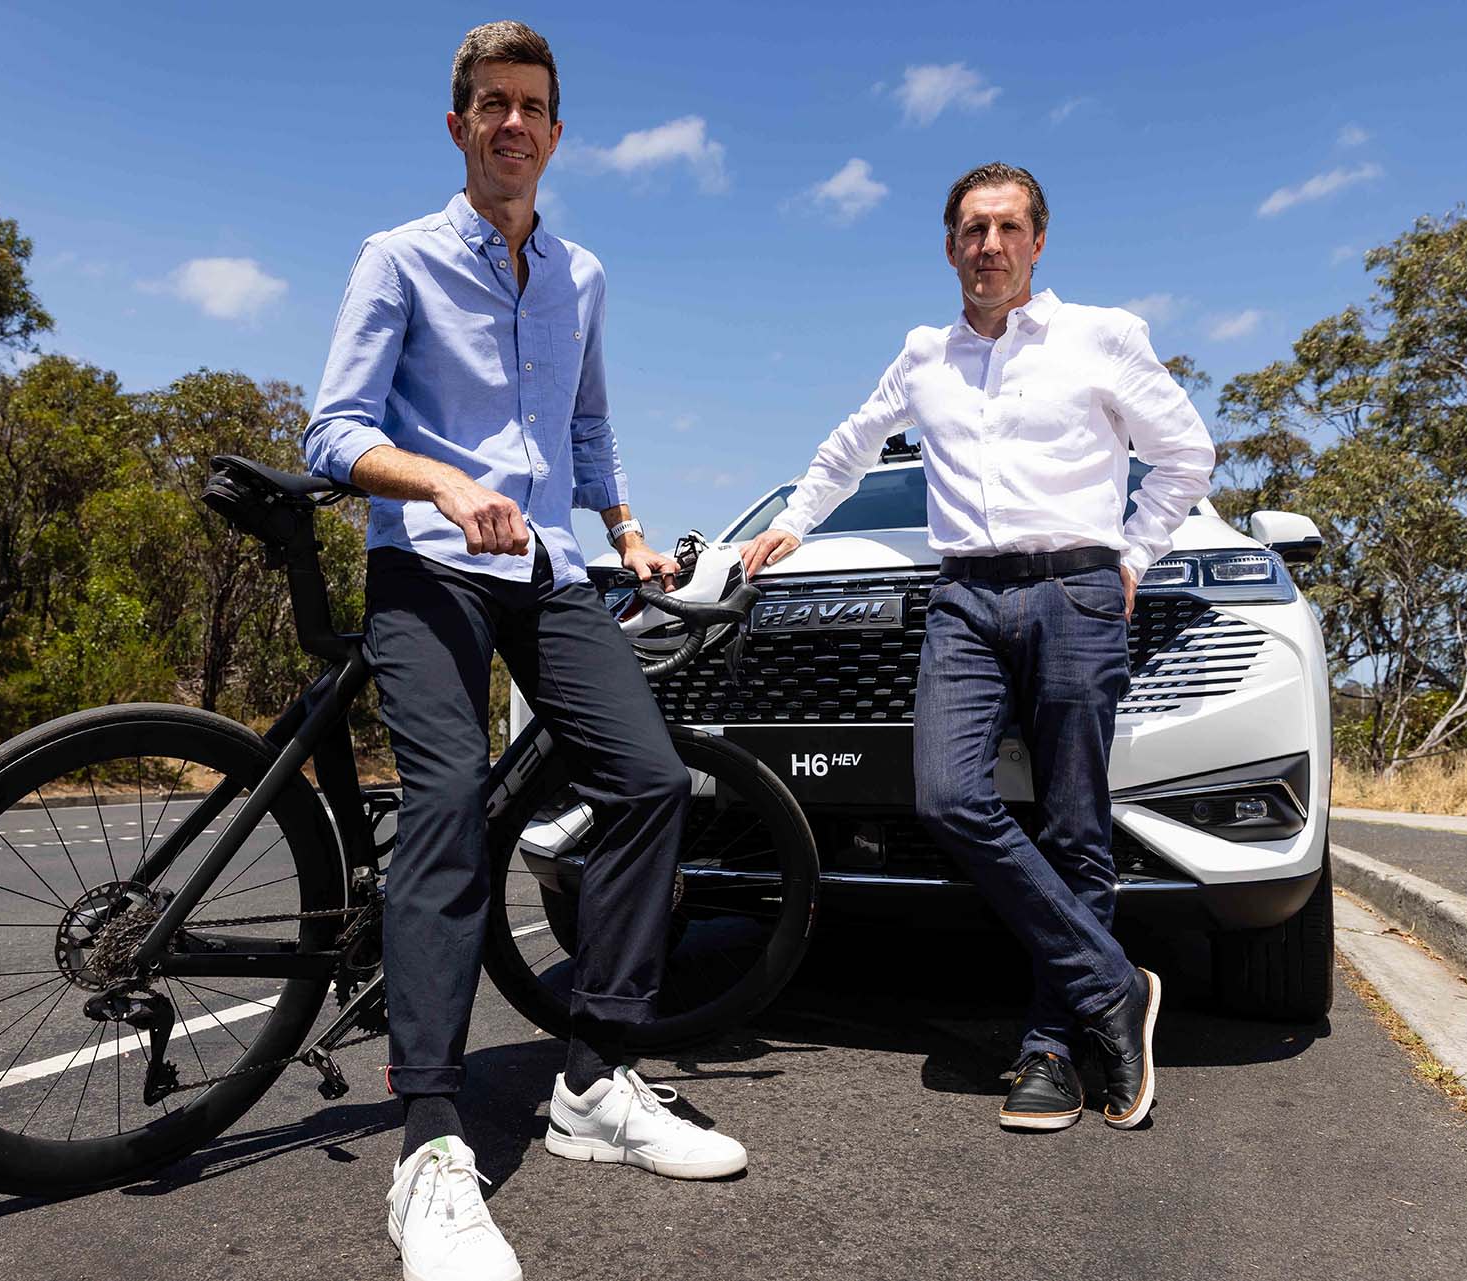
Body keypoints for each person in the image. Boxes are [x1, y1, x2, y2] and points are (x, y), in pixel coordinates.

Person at [304, 21, 746, 1281]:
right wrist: (442, 483)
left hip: (546, 568)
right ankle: (430, 1145)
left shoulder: (581, 276)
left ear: (556, 131)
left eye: (532, 106)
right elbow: (333, 430)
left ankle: (594, 1080)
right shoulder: (397, 257)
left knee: (652, 783)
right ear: (459, 126)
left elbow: (587, 428)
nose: (513, 123)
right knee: (447, 798)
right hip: (428, 565)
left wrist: (628, 535)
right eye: (491, 103)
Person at [738, 162, 1214, 1133]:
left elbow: (1185, 455)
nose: (989, 245)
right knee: (947, 796)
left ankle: (1051, 1048)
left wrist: (1132, 556)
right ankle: (1115, 984)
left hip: (1076, 591)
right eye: (972, 229)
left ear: (1038, 241)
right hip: (964, 598)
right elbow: (851, 443)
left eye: (1006, 228)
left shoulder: (1102, 336)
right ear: (950, 246)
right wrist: (793, 521)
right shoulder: (924, 356)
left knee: (1074, 827)